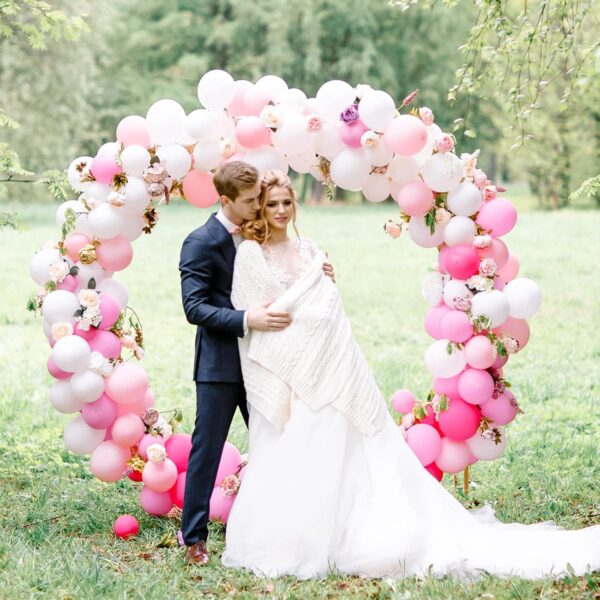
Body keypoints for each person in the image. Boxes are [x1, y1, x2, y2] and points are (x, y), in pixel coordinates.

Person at [221, 169, 600, 580]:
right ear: (259, 207)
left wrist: (319, 299)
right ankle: (298, 535)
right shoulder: (251, 253)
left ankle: (345, 530)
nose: (280, 210)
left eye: (286, 202)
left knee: (346, 447)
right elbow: (256, 309)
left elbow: (326, 305)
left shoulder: (310, 249)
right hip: (290, 369)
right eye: (271, 204)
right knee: (299, 447)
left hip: (331, 362)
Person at [178, 161, 334, 565]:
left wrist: (316, 272)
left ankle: (291, 528)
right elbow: (194, 307)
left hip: (268, 363)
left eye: (259, 199)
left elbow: (284, 275)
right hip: (222, 365)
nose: (258, 206)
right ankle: (193, 537)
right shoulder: (200, 242)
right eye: (250, 201)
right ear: (226, 200)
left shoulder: (258, 233)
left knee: (281, 442)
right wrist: (247, 319)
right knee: (207, 448)